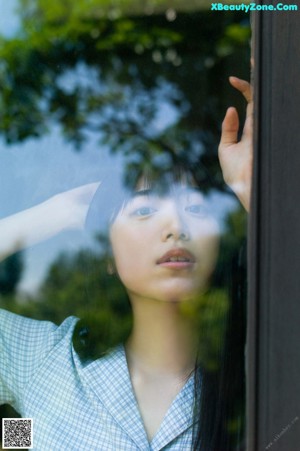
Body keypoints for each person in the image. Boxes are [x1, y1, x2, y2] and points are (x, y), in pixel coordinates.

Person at [0, 77, 252, 450]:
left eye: (196, 208)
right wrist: (58, 213)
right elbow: (17, 438)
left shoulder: (253, 371)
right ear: (107, 253)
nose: (175, 227)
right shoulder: (48, 360)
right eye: (146, 208)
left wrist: (254, 194)